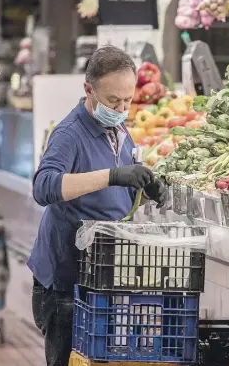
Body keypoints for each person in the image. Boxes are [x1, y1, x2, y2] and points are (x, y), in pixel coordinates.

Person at [28, 46, 167, 366]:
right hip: (66, 284)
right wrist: (112, 176)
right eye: (112, 101)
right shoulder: (70, 133)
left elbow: (113, 190)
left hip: (100, 276)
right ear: (89, 90)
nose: (121, 108)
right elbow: (43, 187)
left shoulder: (118, 129)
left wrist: (145, 188)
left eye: (127, 100)